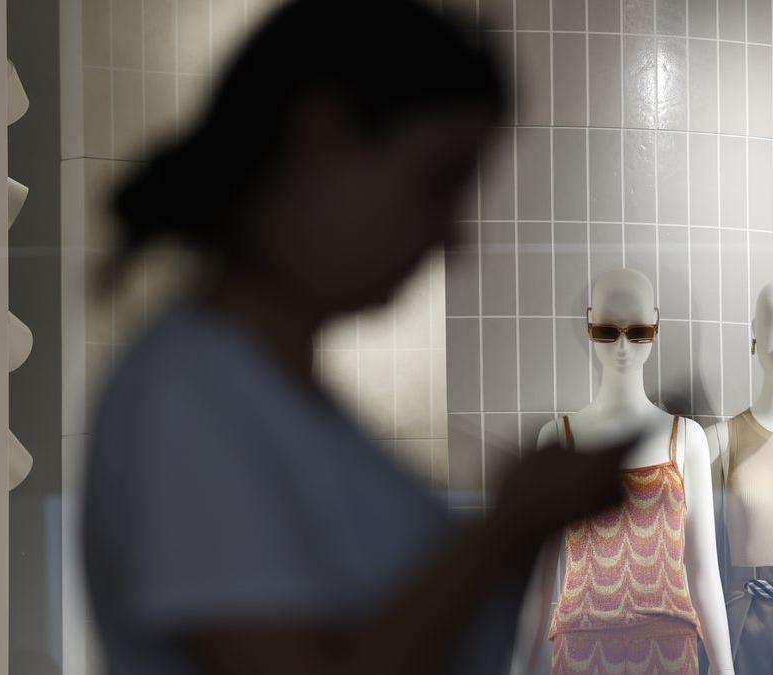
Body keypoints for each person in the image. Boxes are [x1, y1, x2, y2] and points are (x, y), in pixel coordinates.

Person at [81, 2, 636, 674]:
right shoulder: (187, 396)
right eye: (439, 181)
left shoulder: (282, 404)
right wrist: (502, 533)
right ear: (320, 139)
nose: (451, 236)